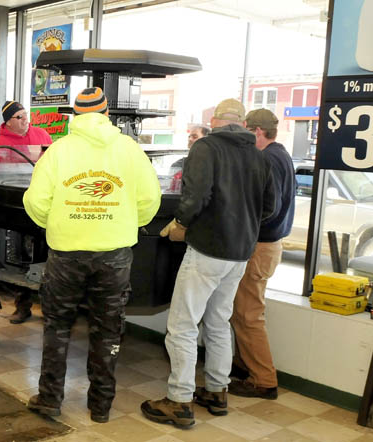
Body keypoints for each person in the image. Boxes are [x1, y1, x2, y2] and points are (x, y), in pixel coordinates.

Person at [23, 87, 161, 423]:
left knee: (57, 326)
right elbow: (150, 201)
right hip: (114, 253)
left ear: (75, 115)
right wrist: (124, 222)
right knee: (109, 329)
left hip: (66, 254)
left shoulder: (58, 151)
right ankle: (101, 405)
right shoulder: (130, 150)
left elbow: (35, 202)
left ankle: (50, 399)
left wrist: (58, 225)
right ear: (107, 114)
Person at [141, 98, 276, 429]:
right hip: (241, 253)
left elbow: (195, 197)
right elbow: (270, 207)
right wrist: (242, 227)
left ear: (214, 120)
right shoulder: (259, 156)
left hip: (208, 250)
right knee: (218, 322)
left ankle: (180, 400)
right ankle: (217, 391)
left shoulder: (206, 147)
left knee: (183, 326)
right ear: (243, 123)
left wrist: (179, 225)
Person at [229, 109, 296, 399]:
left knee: (248, 315)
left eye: (245, 131)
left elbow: (267, 208)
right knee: (241, 312)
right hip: (268, 247)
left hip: (260, 247)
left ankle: (264, 380)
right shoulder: (281, 155)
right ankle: (244, 367)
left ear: (256, 131)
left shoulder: (267, 159)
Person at [0, 100, 54, 324]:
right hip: (15, 210)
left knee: (45, 256)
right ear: (8, 122)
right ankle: (22, 305)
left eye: (26, 115)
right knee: (19, 258)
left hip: (43, 206)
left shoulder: (43, 136)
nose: (26, 119)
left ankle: (49, 309)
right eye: (20, 117)